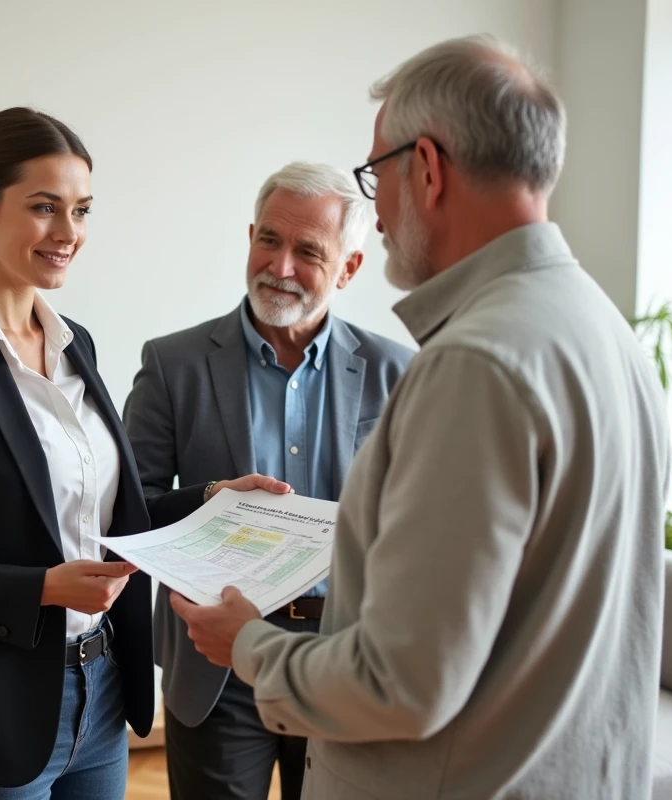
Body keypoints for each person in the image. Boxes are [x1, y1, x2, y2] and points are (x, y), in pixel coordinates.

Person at [170, 34, 671, 799]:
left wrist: (249, 646)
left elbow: (401, 682)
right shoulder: (607, 332)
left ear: (427, 169)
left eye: (376, 174)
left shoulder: (475, 362)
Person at [0, 106, 288, 800]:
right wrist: (42, 589)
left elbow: (97, 522)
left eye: (81, 209)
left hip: (102, 689)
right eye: (44, 207)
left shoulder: (76, 342)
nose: (69, 233)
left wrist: (207, 500)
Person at [122, 161, 413, 800]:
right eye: (269, 241)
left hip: (347, 658)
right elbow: (125, 514)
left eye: (308, 251)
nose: (279, 267)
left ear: (349, 268)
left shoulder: (402, 373)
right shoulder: (172, 365)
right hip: (216, 664)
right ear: (250, 235)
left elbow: (423, 528)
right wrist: (204, 502)